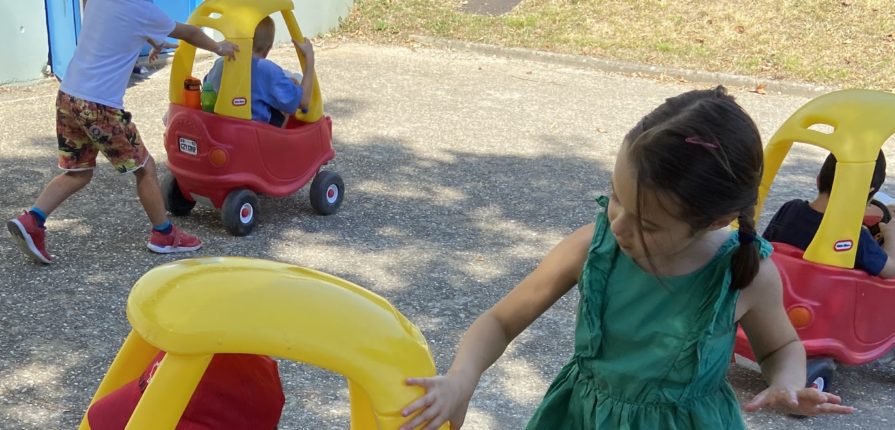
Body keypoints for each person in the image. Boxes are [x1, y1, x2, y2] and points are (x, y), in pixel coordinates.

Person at [398, 87, 855, 430]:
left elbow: (780, 347)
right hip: (582, 419)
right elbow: (500, 322)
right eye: (616, 198)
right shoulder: (591, 249)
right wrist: (462, 378)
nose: (618, 224)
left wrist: (788, 381)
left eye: (648, 224)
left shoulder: (745, 274)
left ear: (716, 221)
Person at [6, 0, 239, 264]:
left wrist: (149, 37)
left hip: (68, 96)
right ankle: (164, 235)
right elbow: (190, 32)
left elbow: (113, 23)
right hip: (99, 105)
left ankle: (32, 220)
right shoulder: (142, 9)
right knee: (145, 168)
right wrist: (220, 47)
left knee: (78, 172)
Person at [763, 151, 895, 277]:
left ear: (819, 180)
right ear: (865, 193)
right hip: (829, 297)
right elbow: (891, 271)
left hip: (783, 290)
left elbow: (767, 245)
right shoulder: (854, 237)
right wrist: (890, 235)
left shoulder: (789, 209)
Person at [203, 16, 315, 127]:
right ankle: (279, 144)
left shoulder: (220, 63)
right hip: (256, 134)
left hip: (222, 127)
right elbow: (303, 101)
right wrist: (309, 59)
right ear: (268, 48)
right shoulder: (268, 71)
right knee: (290, 92)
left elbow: (207, 84)